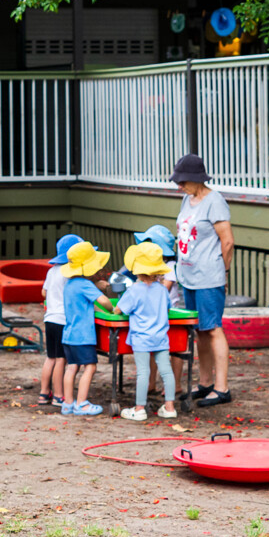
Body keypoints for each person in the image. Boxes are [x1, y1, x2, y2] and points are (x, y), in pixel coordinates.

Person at [171, 152, 233, 406]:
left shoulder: (215, 202)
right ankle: (205, 383)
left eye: (183, 181)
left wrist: (223, 272)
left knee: (213, 328)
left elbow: (227, 241)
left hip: (209, 277)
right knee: (200, 330)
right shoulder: (188, 199)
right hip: (189, 276)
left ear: (197, 179)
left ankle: (222, 388)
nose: (179, 186)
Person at [115, 242, 178, 421]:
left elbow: (119, 309)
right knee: (166, 371)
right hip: (161, 337)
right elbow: (167, 308)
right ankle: (170, 407)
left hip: (141, 338)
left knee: (143, 372)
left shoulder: (134, 290)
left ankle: (139, 408)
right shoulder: (162, 290)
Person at [57, 239, 108, 416]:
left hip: (69, 335)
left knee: (72, 367)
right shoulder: (85, 285)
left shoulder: (70, 284)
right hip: (83, 335)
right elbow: (103, 302)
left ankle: (68, 403)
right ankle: (82, 403)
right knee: (90, 367)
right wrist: (112, 308)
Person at [37, 233, 84, 408]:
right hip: (63, 320)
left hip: (50, 319)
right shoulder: (69, 273)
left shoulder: (52, 271)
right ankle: (58, 395)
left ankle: (43, 393)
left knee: (50, 357)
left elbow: (44, 293)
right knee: (61, 359)